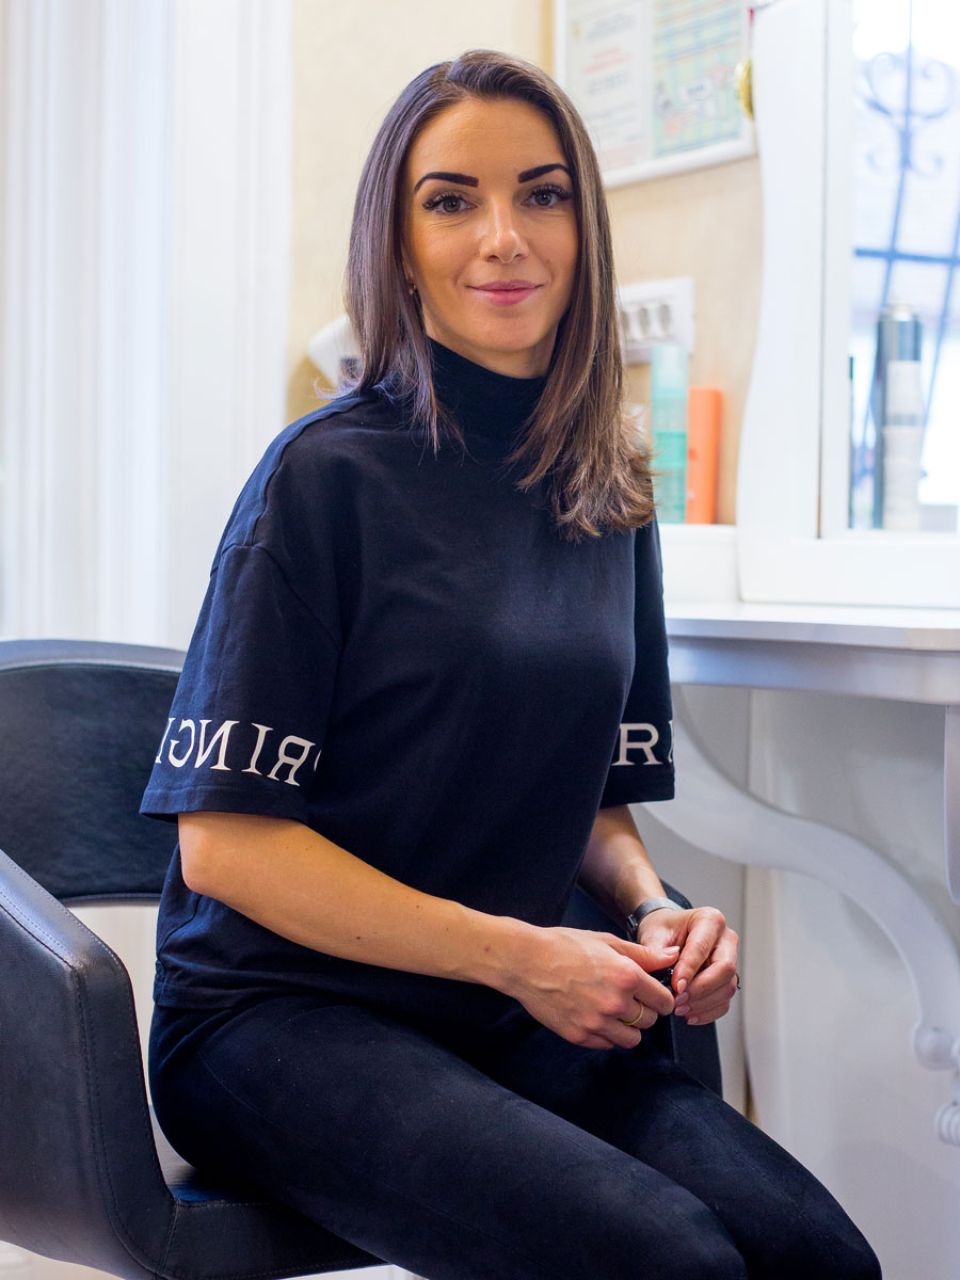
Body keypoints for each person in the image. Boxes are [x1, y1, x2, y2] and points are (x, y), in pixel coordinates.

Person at [141, 49, 881, 1280]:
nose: (504, 237)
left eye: (542, 194)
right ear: (398, 242)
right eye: (451, 200)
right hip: (278, 1020)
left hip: (501, 1004)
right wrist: (523, 954)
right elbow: (225, 846)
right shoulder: (321, 478)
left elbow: (591, 800)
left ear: (584, 230)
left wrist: (652, 909)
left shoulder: (608, 488)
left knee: (820, 1257)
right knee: (670, 1260)